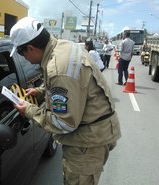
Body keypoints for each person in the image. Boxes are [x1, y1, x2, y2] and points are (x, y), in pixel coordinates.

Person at [9, 17, 121, 185]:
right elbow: (74, 84)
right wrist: (40, 91)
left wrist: (29, 110)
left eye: (20, 53)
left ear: (30, 48)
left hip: (87, 144)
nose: (23, 58)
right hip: (96, 132)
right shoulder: (63, 47)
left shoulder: (58, 68)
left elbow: (64, 123)